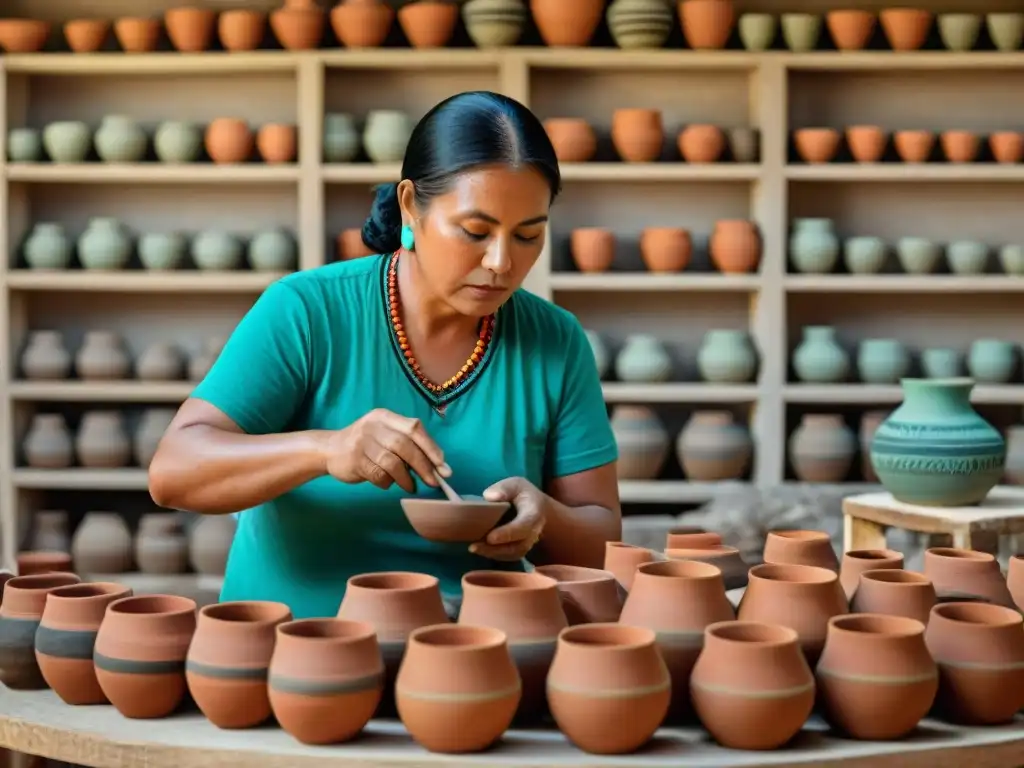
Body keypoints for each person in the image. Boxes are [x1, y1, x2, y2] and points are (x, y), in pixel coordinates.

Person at [148, 90, 621, 619]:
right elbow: (172, 472)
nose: (501, 261)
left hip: (469, 656)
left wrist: (545, 517)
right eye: (475, 231)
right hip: (292, 651)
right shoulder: (307, 310)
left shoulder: (555, 342)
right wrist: (327, 450)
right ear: (409, 207)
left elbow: (601, 542)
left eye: (529, 235)